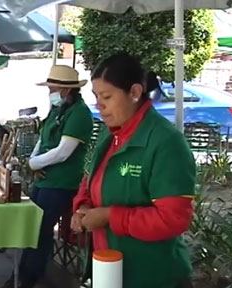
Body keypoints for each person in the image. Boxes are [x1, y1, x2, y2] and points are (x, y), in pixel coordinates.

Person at [71, 53, 195, 288]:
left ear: (135, 93)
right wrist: (83, 206)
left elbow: (173, 218)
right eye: (96, 97)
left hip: (153, 275)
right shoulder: (109, 134)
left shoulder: (166, 142)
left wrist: (110, 216)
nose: (100, 105)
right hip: (108, 269)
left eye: (107, 96)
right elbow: (89, 180)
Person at [7, 65, 93, 288]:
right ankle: (22, 274)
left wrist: (35, 162)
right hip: (44, 179)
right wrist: (32, 161)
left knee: (41, 231)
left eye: (52, 88)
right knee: (31, 228)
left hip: (63, 183)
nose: (50, 92)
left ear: (65, 89)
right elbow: (42, 141)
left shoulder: (80, 113)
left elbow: (64, 151)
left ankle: (29, 279)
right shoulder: (57, 110)